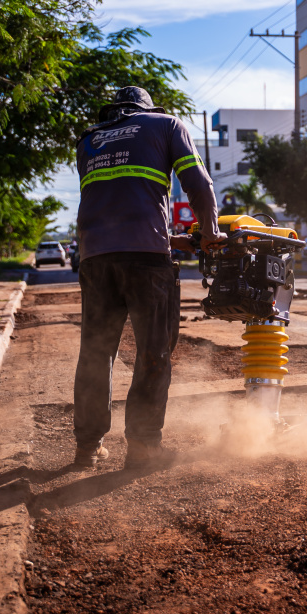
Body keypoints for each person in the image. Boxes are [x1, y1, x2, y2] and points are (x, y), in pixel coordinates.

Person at [73, 86, 225, 470]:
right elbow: (200, 185)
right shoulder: (166, 124)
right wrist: (209, 233)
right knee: (153, 350)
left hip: (95, 257)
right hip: (145, 263)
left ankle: (87, 448)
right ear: (146, 108)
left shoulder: (88, 140)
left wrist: (172, 240)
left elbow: (117, 206)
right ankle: (143, 447)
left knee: (96, 352)